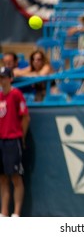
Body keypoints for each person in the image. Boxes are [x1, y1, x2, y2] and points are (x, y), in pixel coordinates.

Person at [0, 67, 30, 217]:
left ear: (10, 78)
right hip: (1, 141)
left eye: (4, 77)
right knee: (2, 178)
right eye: (0, 77)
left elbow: (25, 117)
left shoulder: (16, 94)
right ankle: (4, 213)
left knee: (16, 177)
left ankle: (16, 214)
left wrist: (21, 137)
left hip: (13, 140)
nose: (2, 80)